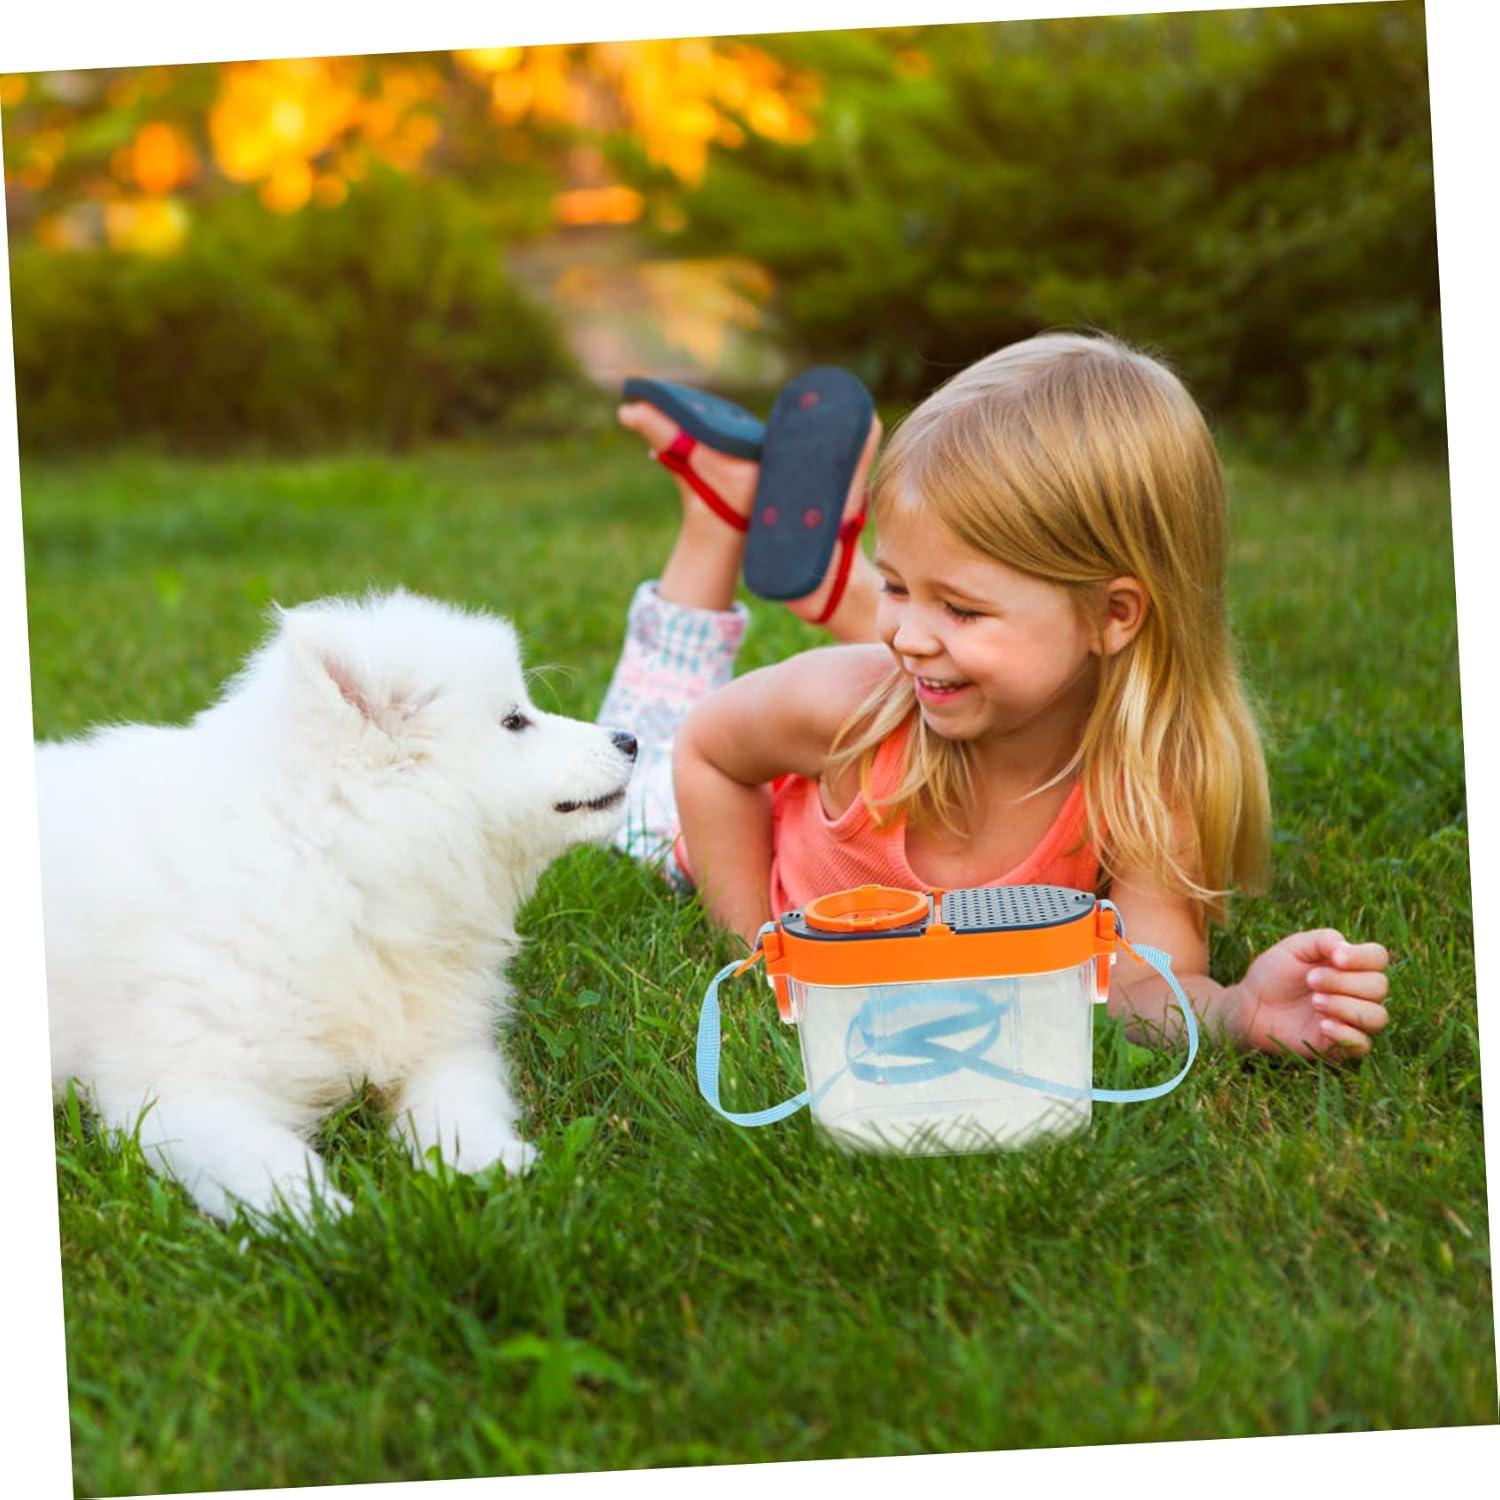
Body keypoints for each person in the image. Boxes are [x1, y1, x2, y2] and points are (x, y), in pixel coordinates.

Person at [598, 333, 1390, 1058]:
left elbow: (1146, 986)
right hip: (693, 819)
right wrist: (755, 950)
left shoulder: (1146, 784)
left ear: (1113, 615)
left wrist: (1238, 1013)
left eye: (962, 606)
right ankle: (715, 516)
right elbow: (704, 747)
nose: (905, 635)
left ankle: (794, 545)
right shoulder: (852, 707)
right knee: (629, 762)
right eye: (897, 585)